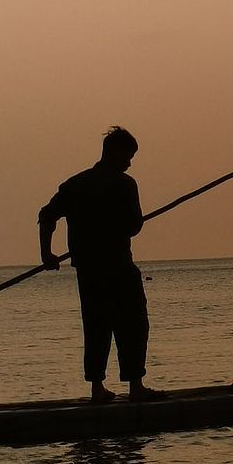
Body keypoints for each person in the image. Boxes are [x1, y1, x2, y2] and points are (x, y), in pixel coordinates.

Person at [38, 126, 160, 403]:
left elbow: (46, 216)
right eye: (128, 156)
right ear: (115, 153)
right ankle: (136, 387)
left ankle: (97, 389)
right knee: (133, 324)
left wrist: (47, 253)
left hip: (89, 271)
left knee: (96, 327)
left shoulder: (75, 185)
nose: (130, 163)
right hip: (118, 268)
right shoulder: (124, 184)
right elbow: (132, 227)